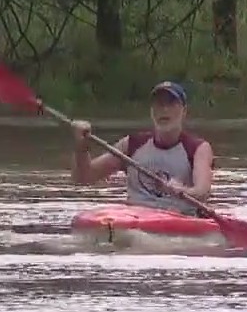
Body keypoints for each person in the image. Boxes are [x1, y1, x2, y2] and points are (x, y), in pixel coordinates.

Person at [69, 81, 214, 217]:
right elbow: (83, 177)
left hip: (179, 220)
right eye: (159, 104)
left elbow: (202, 192)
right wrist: (81, 148)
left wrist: (181, 191)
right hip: (136, 218)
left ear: (184, 111)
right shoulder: (131, 144)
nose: (164, 109)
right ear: (151, 111)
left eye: (171, 103)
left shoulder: (198, 148)